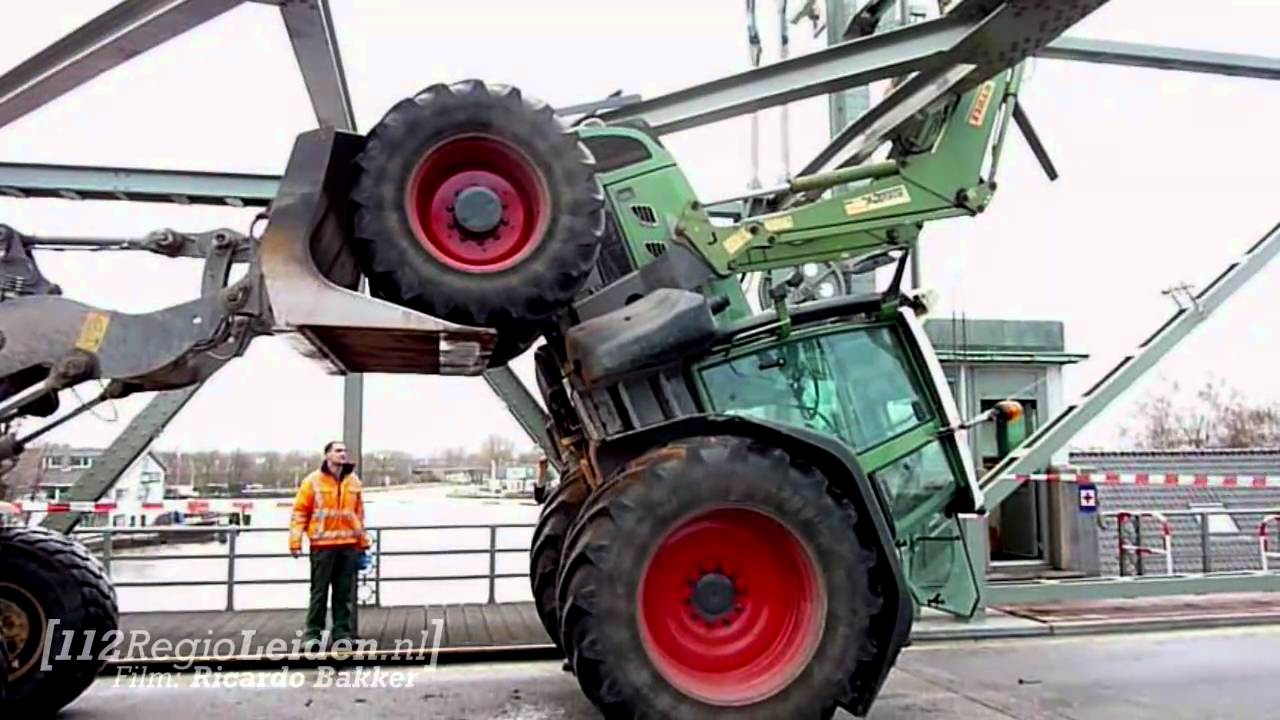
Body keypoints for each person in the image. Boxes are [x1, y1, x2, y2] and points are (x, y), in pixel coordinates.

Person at [289, 440, 371, 647]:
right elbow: (300, 512)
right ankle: (312, 636)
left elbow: (358, 514)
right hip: (322, 546)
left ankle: (341, 635)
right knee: (319, 593)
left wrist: (362, 541)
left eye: (344, 450)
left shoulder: (353, 482)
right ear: (327, 455)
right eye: (338, 451)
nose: (343, 454)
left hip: (348, 545)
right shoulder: (312, 482)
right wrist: (295, 540)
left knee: (343, 594)